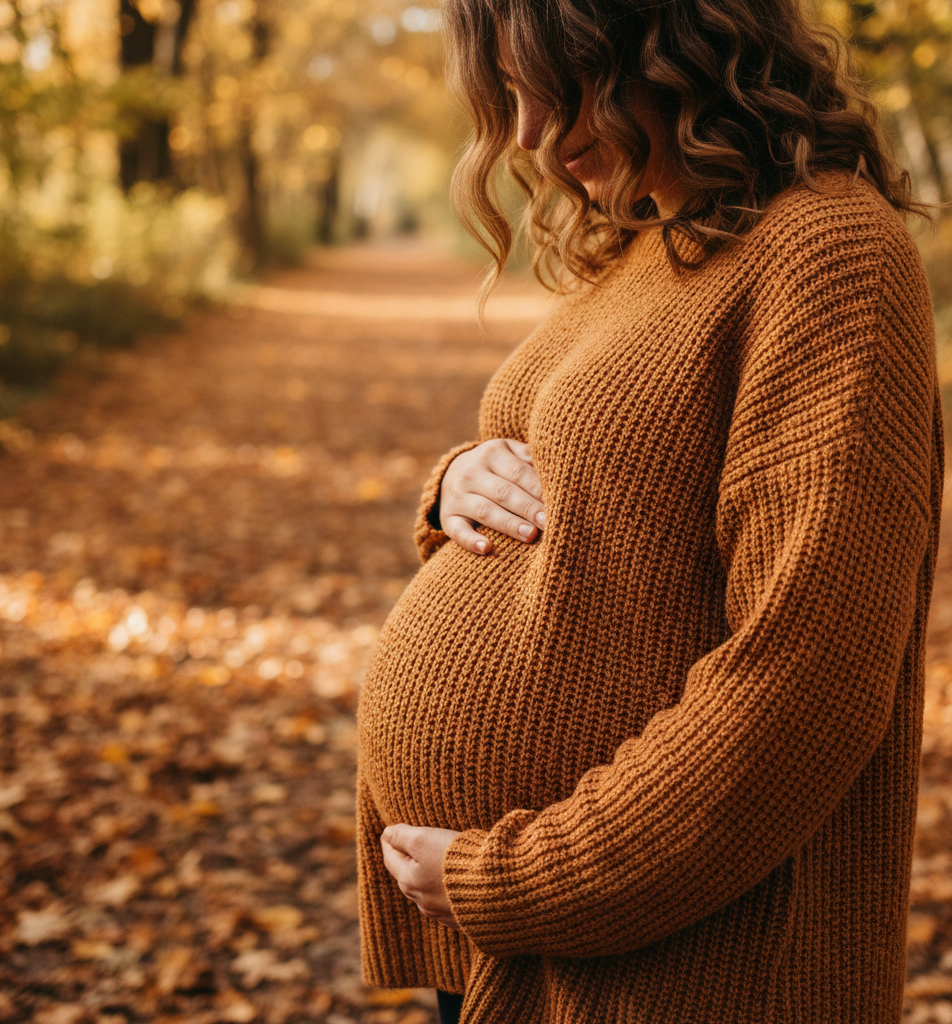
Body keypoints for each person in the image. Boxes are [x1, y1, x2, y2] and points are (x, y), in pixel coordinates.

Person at [355, 0, 943, 1021]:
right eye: (512, 96)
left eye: (563, 81)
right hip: (530, 947)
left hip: (679, 969)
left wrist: (521, 880)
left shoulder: (827, 253)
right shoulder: (654, 235)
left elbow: (800, 687)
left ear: (677, 38)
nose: (533, 134)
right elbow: (605, 491)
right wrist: (456, 485)